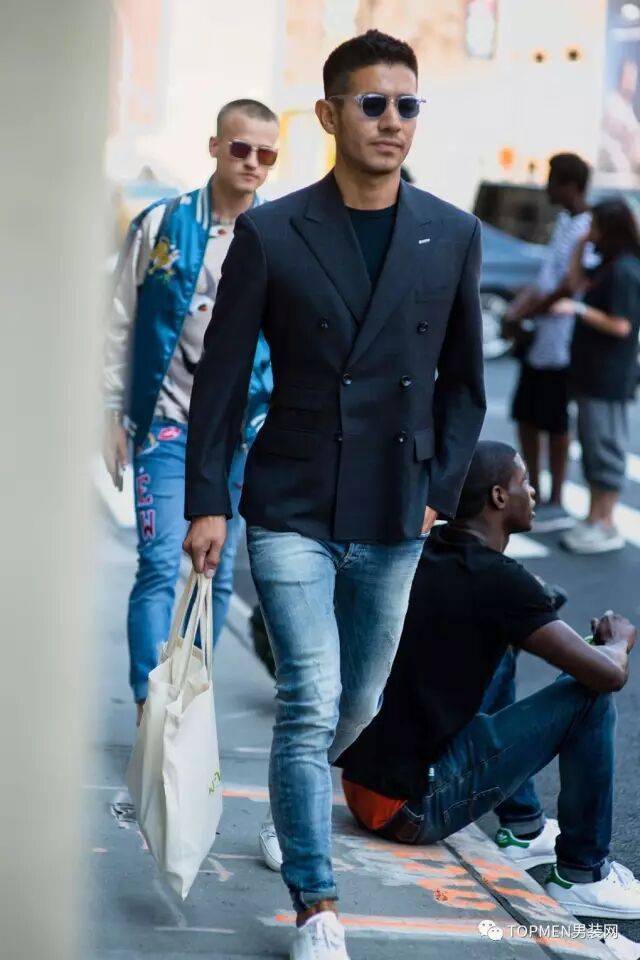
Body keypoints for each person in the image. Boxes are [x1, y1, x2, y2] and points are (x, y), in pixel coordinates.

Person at [183, 30, 486, 960]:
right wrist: (208, 501)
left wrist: (438, 490)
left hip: (397, 506)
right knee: (310, 698)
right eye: (373, 103)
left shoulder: (453, 232)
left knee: (358, 703)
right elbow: (221, 381)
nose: (392, 121)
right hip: (294, 499)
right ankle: (316, 903)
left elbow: (465, 385)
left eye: (407, 105)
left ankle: (296, 802)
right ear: (328, 114)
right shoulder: (274, 233)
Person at [337, 440, 640, 920]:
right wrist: (617, 641)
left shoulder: (430, 547)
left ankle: (522, 826)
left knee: (499, 650)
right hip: (411, 807)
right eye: (524, 482)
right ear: (499, 497)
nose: (533, 492)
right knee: (589, 698)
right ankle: (584, 876)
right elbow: (608, 675)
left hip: (363, 787)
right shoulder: (500, 581)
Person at [103, 99, 279, 723]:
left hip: (241, 432)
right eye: (240, 148)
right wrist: (110, 412)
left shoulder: (279, 236)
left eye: (266, 153)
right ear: (215, 147)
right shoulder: (161, 223)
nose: (252, 162)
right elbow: (119, 319)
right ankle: (149, 700)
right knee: (159, 563)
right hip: (164, 422)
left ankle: (185, 698)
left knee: (215, 572)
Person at [506, 153, 591, 532]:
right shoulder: (564, 222)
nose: (547, 187)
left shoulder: (587, 227)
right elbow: (545, 278)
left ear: (570, 184)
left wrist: (528, 312)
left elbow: (571, 284)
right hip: (540, 337)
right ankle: (536, 491)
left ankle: (556, 497)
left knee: (555, 421)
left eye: (553, 179)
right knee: (526, 414)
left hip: (563, 340)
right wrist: (519, 310)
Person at [551, 198, 640, 554]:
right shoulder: (608, 264)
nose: (590, 231)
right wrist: (580, 245)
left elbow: (621, 325)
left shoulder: (625, 271)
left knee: (605, 449)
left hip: (609, 376)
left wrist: (578, 310)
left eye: (594, 225)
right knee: (592, 448)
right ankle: (593, 518)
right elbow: (576, 282)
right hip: (592, 374)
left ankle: (605, 522)